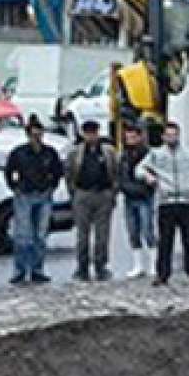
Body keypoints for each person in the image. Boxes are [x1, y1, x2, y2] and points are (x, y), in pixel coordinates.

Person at [142, 119, 189, 287]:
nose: (172, 138)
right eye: (169, 135)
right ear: (163, 137)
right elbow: (140, 168)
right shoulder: (156, 154)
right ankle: (162, 274)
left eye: (175, 135)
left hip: (187, 201)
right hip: (167, 201)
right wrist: (149, 177)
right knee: (165, 240)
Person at [3, 117, 63, 285]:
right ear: (28, 135)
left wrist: (52, 186)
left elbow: (58, 171)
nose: (37, 138)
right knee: (23, 236)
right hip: (24, 195)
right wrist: (15, 187)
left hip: (44, 195)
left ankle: (37, 270)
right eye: (33, 134)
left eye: (39, 134)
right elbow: (9, 171)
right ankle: (20, 270)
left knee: (40, 235)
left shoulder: (50, 153)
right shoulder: (19, 153)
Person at [66, 119, 118, 281]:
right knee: (82, 235)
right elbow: (69, 173)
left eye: (94, 133)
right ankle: (82, 267)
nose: (91, 136)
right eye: (88, 133)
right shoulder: (75, 152)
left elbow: (115, 171)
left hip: (103, 193)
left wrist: (112, 192)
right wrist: (74, 193)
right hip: (83, 193)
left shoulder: (108, 151)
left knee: (102, 235)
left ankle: (101, 266)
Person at [118, 123, 157, 256]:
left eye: (133, 137)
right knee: (132, 231)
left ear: (140, 137)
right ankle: (138, 264)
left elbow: (154, 175)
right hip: (129, 197)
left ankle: (153, 262)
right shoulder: (123, 156)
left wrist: (146, 188)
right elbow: (120, 174)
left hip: (144, 197)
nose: (130, 140)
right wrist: (123, 187)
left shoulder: (149, 155)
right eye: (128, 138)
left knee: (147, 230)